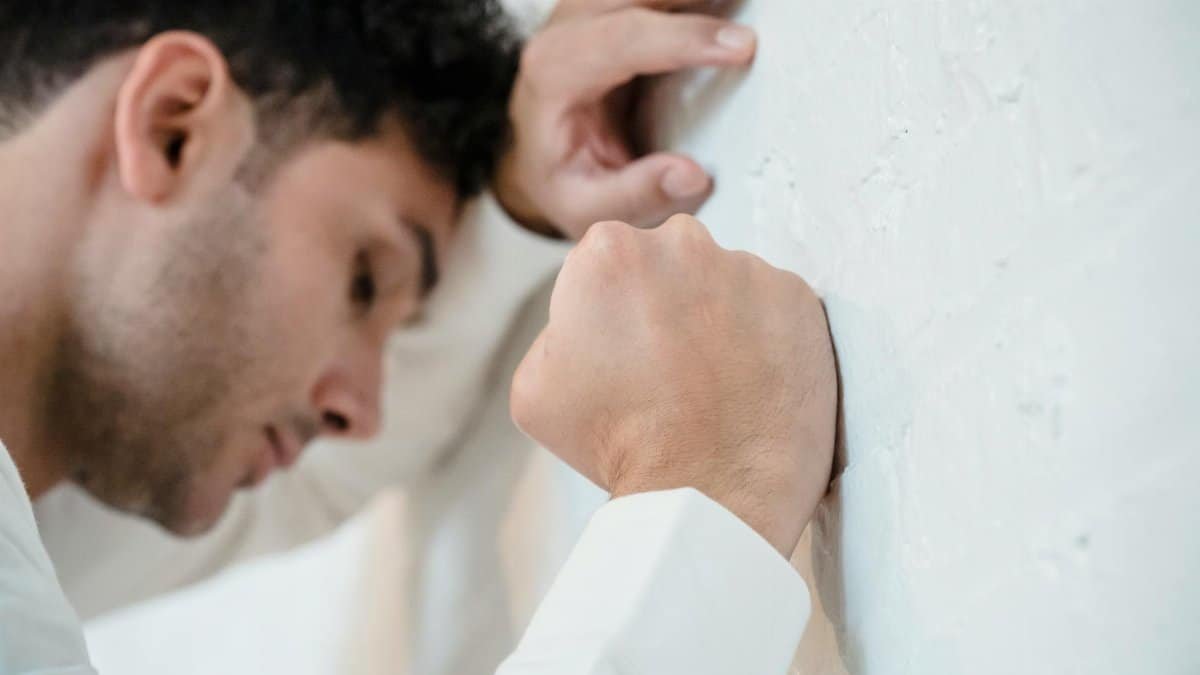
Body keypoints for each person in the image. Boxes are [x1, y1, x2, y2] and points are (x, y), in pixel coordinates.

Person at [2, 2, 837, 674]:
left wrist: (518, 204)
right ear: (173, 124)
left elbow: (319, 484)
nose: (363, 410)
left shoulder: (59, 516)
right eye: (365, 278)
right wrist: (700, 503)